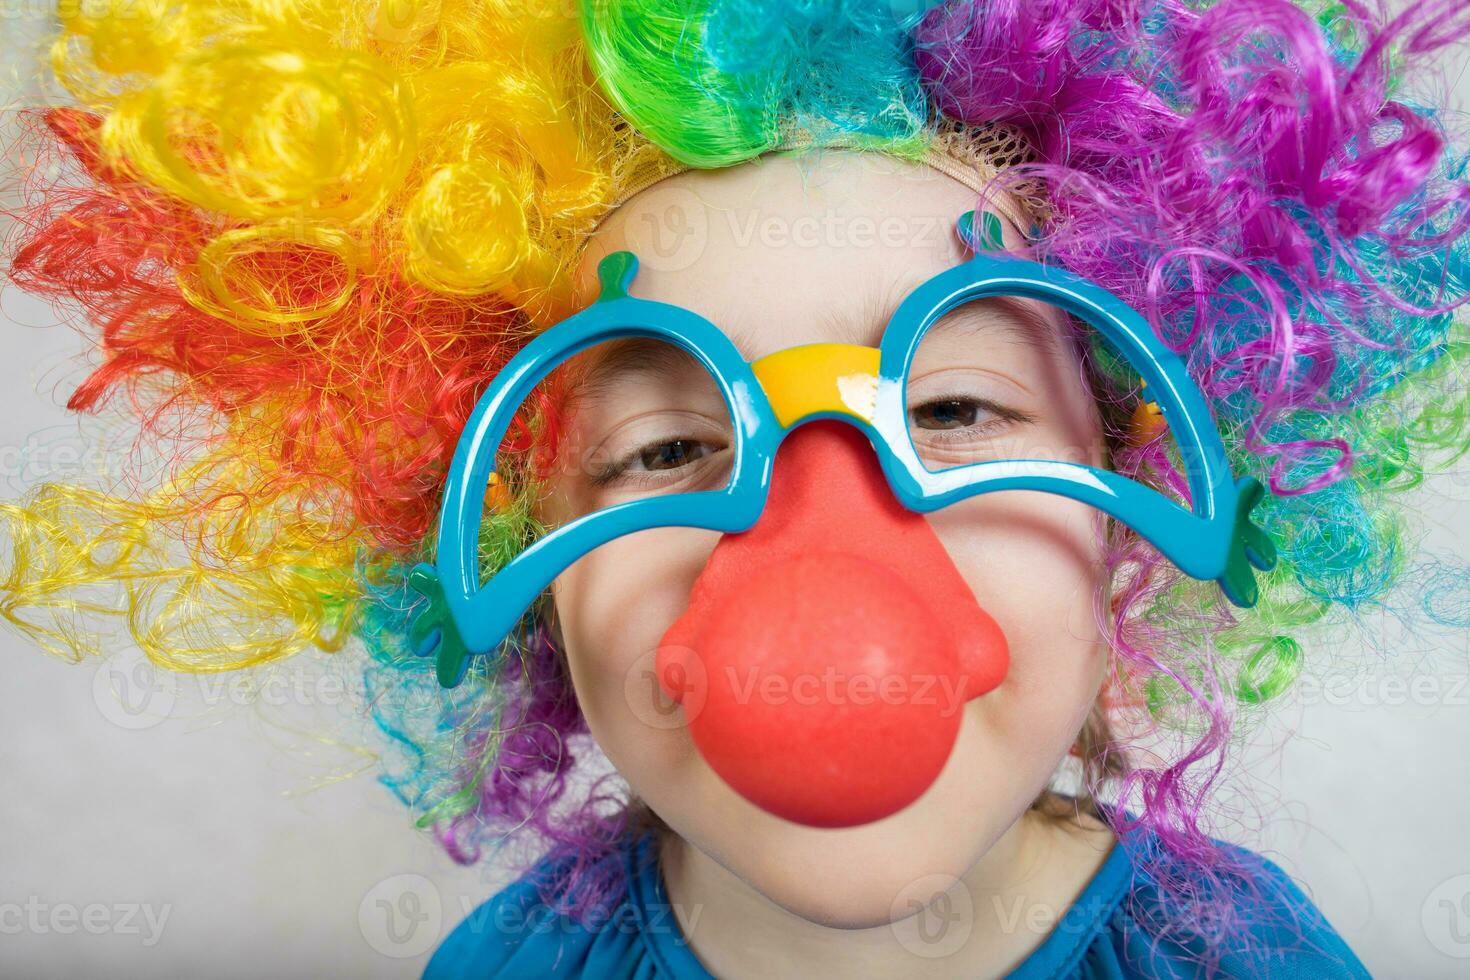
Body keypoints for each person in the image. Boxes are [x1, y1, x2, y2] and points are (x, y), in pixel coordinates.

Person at [4, 0, 1466, 976]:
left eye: (954, 409)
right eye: (664, 450)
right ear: (518, 556)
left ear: (1127, 496)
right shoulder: (516, 962)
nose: (816, 559)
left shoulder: (1232, 954)